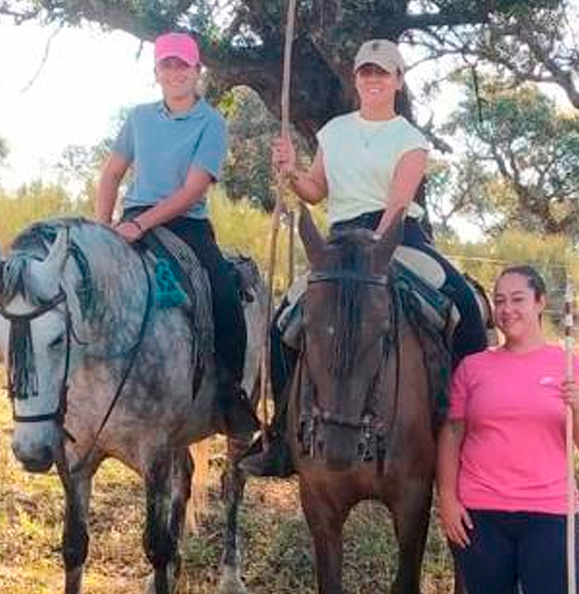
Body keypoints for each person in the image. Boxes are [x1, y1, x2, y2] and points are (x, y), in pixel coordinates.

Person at [240, 38, 489, 476]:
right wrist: (291, 171)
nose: (373, 79)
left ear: (397, 80)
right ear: (355, 78)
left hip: (398, 237)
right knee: (284, 322)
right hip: (339, 242)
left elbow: (396, 204)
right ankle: (281, 435)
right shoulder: (333, 131)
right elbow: (316, 191)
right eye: (365, 72)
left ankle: (468, 428)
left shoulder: (410, 138)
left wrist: (374, 250)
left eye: (382, 72)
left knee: (464, 305)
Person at [95, 31, 257, 435]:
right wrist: (102, 230)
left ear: (197, 70)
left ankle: (229, 395)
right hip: (132, 216)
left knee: (222, 293)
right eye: (167, 65)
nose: (175, 72)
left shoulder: (211, 122)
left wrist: (138, 225)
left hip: (186, 224)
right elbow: (112, 173)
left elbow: (191, 191)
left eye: (182, 65)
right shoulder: (139, 117)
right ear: (157, 72)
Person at [436, 266, 579, 594]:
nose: (507, 309)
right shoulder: (473, 367)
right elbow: (452, 434)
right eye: (500, 300)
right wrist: (447, 498)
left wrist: (577, 411)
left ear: (540, 302)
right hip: (481, 514)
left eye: (518, 299)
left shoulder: (571, 367)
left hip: (550, 513)